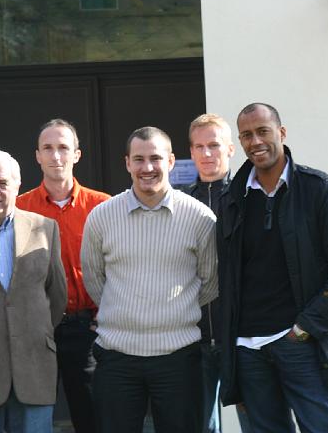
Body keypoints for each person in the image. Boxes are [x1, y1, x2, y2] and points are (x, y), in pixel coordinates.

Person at [217, 102, 328, 432]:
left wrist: (306, 328)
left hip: (300, 342)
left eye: (263, 131)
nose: (255, 141)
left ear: (282, 133)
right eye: (247, 135)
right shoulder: (232, 197)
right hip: (248, 349)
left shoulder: (319, 189)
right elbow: (227, 276)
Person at [81, 126, 218, 433]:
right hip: (117, 357)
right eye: (139, 159)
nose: (147, 168)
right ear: (127, 163)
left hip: (178, 358)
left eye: (155, 158)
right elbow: (94, 279)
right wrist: (127, 312)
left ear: (171, 161)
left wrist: (173, 312)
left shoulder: (200, 218)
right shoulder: (101, 217)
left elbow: (210, 282)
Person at [16, 119, 110, 433]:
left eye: (63, 148)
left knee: (92, 418)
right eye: (48, 148)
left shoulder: (102, 206)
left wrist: (107, 316)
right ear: (37, 156)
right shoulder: (19, 209)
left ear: (77, 154)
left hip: (87, 329)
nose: (56, 156)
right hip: (37, 331)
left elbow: (119, 267)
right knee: (33, 420)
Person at [0, 149, 67, 433]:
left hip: (33, 370)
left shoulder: (44, 228)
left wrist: (33, 330)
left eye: (2, 183)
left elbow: (56, 296)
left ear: (17, 186)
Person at [183, 113, 250, 433]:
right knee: (202, 426)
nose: (207, 153)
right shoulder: (181, 204)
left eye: (214, 145)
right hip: (194, 336)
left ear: (231, 149)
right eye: (199, 147)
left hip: (241, 334)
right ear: (191, 152)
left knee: (256, 420)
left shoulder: (248, 198)